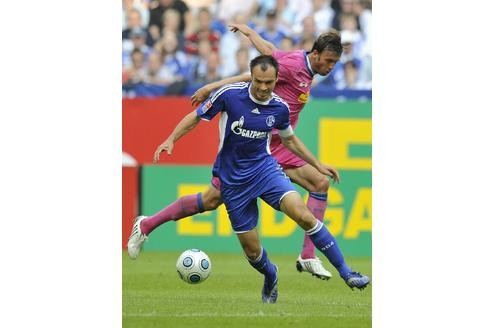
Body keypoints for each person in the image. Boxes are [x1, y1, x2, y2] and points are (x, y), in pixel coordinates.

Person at [129, 55, 369, 303]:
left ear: (277, 80)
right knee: (253, 252)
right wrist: (171, 139)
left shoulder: (279, 108)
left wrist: (317, 164)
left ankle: (347, 273)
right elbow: (196, 117)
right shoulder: (230, 96)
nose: (264, 88)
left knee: (305, 216)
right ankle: (271, 273)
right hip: (232, 179)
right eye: (258, 82)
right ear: (251, 78)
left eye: (269, 82)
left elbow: (289, 140)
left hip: (265, 171)